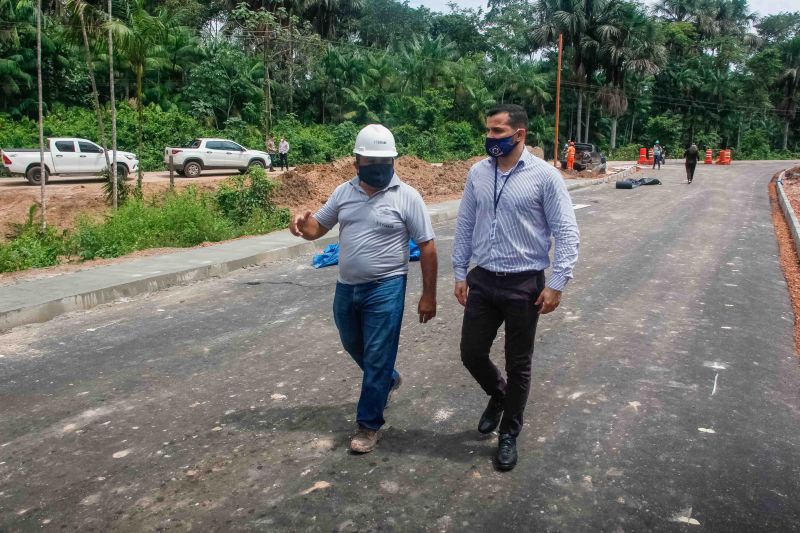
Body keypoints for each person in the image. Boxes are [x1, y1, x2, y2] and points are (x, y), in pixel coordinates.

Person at [289, 124, 438, 454]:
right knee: (352, 342)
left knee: (376, 354)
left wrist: (428, 295)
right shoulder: (344, 192)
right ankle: (386, 378)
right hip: (347, 288)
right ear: (356, 163)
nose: (380, 169)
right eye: (371, 163)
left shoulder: (407, 197)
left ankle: (369, 425)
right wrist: (302, 224)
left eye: (385, 163)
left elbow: (427, 246)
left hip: (387, 287)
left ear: (394, 162)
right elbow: (318, 227)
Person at [452, 104, 580, 471]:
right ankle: (499, 393)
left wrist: (557, 283)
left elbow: (566, 231)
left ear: (518, 134)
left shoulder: (544, 177)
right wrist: (460, 272)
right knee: (471, 353)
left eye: (497, 132)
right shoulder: (477, 173)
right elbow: (464, 225)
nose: (490, 138)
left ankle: (509, 433)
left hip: (525, 283)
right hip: (483, 278)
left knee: (518, 362)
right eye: (488, 131)